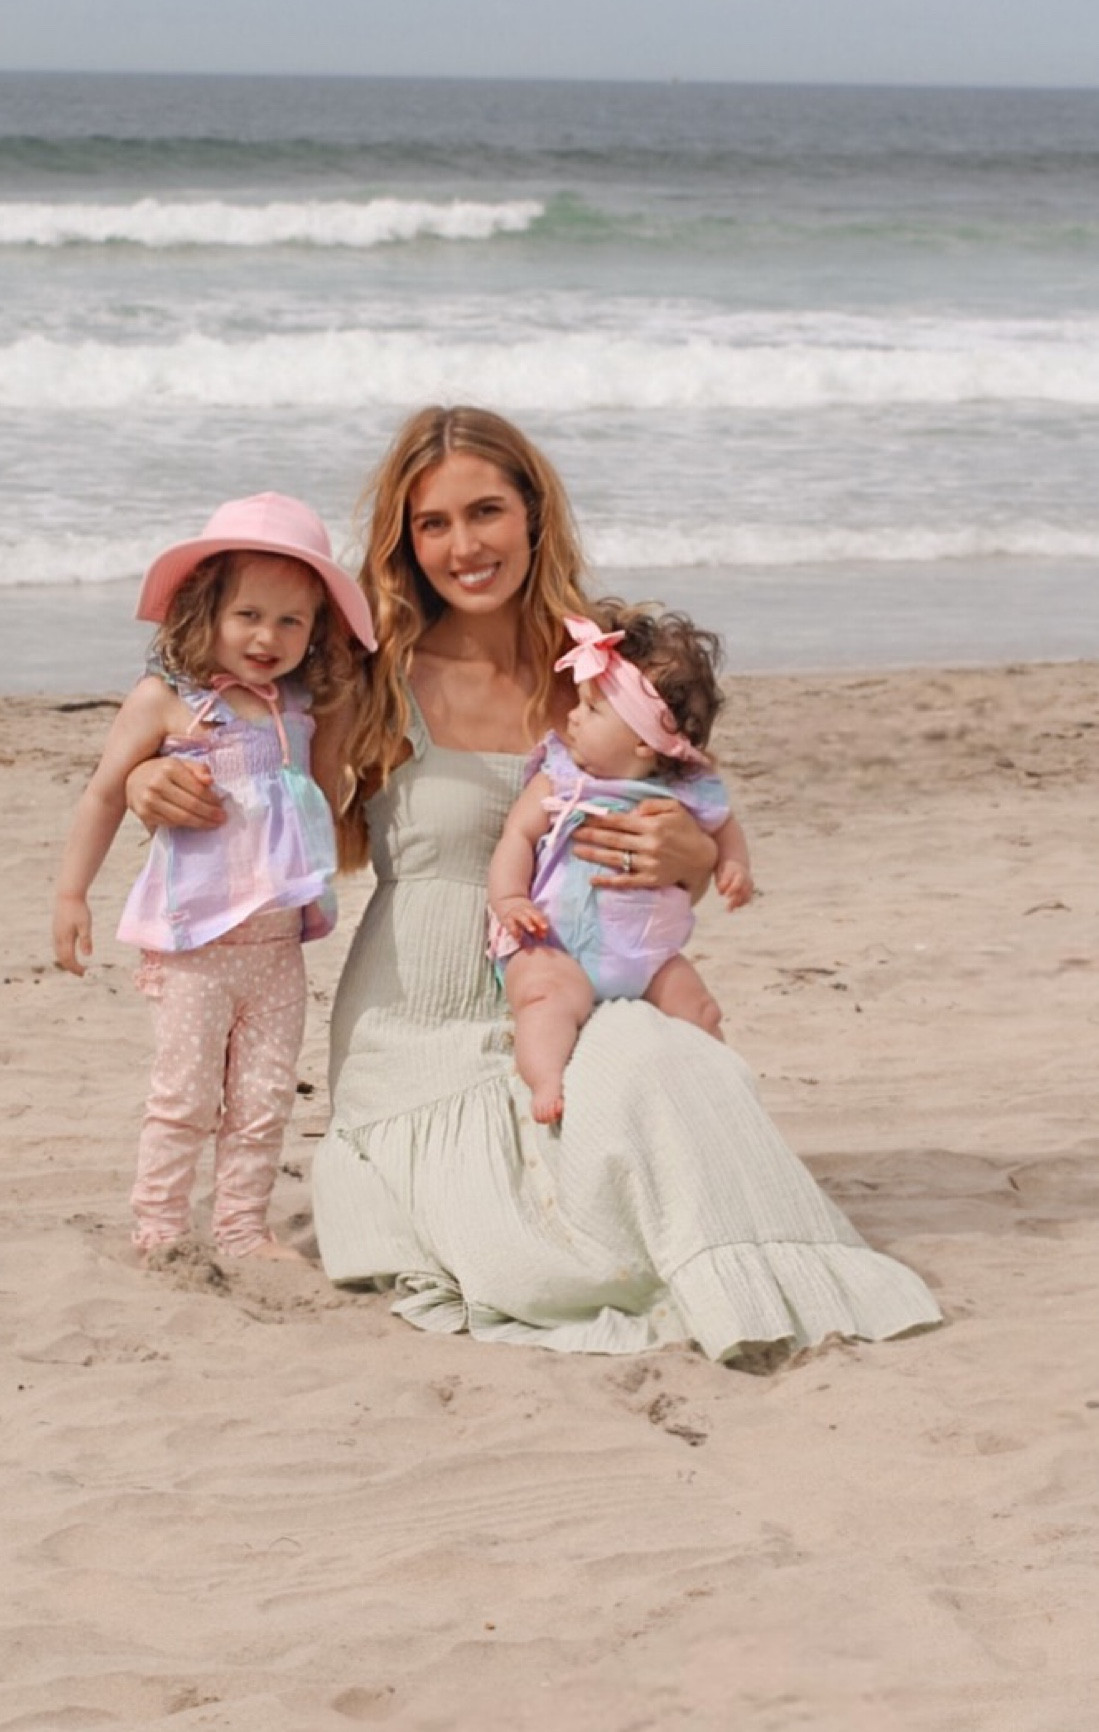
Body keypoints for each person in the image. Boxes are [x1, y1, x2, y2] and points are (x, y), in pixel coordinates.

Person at [129, 408, 941, 1364]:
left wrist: (681, 851)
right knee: (528, 1254)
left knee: (663, 1063)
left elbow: (694, 816)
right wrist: (147, 779)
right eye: (433, 523)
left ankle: (754, 1272)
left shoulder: (612, 670)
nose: (464, 546)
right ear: (405, 540)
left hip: (572, 994)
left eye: (486, 512)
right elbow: (239, 733)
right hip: (416, 1017)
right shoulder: (366, 669)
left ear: (533, 513)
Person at [53, 492, 376, 1260]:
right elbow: (104, 791)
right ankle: (160, 1227)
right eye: (248, 615)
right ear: (207, 611)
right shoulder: (169, 702)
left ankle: (238, 1227)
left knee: (263, 1099)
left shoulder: (304, 707)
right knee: (184, 1097)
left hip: (277, 949)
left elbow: (329, 800)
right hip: (194, 941)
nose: (268, 637)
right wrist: (71, 894)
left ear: (316, 629)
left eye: (291, 621)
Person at [488, 603, 753, 1122]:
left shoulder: (686, 788)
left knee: (698, 1008)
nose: (572, 715)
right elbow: (516, 836)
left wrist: (733, 865)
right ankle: (547, 1083)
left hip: (647, 956)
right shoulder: (560, 776)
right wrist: (510, 899)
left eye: (591, 709)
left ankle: (724, 1093)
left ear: (641, 739)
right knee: (543, 1001)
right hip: (555, 943)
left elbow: (725, 826)